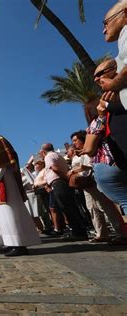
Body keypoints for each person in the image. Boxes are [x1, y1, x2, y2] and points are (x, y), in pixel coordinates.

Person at [0, 121, 40, 256]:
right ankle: (11, 242)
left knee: (9, 211)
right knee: (2, 214)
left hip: (3, 180)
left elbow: (1, 162)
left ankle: (19, 244)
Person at [70, 130, 127, 244]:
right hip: (86, 185)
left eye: (76, 140)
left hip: (94, 182)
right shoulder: (81, 153)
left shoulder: (92, 149)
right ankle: (101, 233)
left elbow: (94, 164)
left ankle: (121, 233)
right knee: (92, 209)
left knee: (106, 208)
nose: (74, 143)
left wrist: (77, 170)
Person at [90, 59, 127, 215]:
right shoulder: (109, 97)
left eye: (100, 74)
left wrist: (106, 106)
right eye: (95, 77)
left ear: (116, 69)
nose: (97, 79)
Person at [40, 143, 88, 240]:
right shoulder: (58, 155)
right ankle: (79, 230)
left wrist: (65, 177)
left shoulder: (48, 156)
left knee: (66, 207)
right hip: (63, 182)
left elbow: (54, 168)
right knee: (71, 206)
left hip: (59, 182)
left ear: (43, 151)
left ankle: (77, 232)